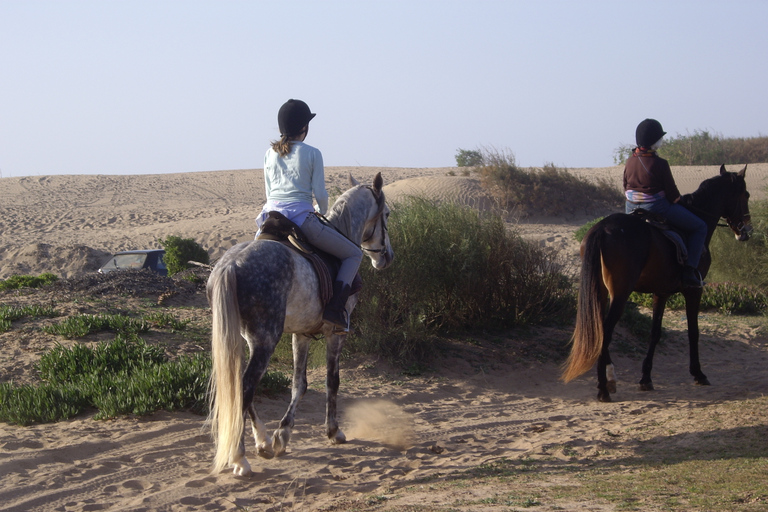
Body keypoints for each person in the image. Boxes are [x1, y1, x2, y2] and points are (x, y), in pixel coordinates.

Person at [256, 99, 363, 331]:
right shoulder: (313, 153)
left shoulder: (268, 154)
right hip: (302, 220)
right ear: (304, 127)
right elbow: (321, 194)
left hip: (268, 220)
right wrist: (321, 212)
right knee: (354, 254)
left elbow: (268, 192)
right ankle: (335, 309)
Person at [623, 118, 707, 288]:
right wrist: (678, 201)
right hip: (656, 207)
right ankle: (690, 271)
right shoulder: (660, 163)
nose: (660, 141)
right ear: (653, 141)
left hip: (630, 207)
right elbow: (672, 193)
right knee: (700, 227)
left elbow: (625, 185)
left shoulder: (629, 161)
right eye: (659, 139)